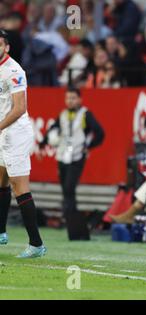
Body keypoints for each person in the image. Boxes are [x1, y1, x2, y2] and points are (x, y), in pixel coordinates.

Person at [0, 29, 47, 258]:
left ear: (6, 47)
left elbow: (19, 108)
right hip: (2, 132)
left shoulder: (15, 71)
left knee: (19, 186)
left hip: (15, 133)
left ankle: (36, 244)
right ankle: (1, 233)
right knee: (0, 178)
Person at [39, 87, 104, 241]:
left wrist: (89, 146)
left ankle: (72, 221)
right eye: (68, 98)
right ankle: (72, 223)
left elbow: (100, 132)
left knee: (69, 188)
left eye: (73, 98)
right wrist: (43, 143)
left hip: (76, 156)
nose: (70, 101)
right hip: (62, 156)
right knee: (66, 190)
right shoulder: (62, 114)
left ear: (80, 99)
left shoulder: (85, 114)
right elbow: (53, 129)